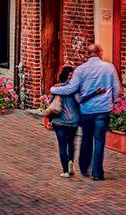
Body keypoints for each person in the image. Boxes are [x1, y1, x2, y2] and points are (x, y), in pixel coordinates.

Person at [49, 44, 122, 181]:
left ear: (87, 54)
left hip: (87, 110)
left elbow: (71, 89)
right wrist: (115, 102)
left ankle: (84, 167)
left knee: (86, 139)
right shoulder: (109, 68)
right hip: (103, 109)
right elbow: (117, 90)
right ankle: (97, 172)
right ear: (99, 53)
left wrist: (54, 90)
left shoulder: (80, 70)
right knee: (99, 140)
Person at [46, 65, 79, 178]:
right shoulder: (75, 90)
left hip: (59, 121)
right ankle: (71, 162)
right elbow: (80, 102)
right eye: (70, 76)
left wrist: (50, 120)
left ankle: (65, 171)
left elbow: (51, 105)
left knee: (62, 145)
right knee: (70, 143)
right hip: (73, 121)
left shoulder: (57, 89)